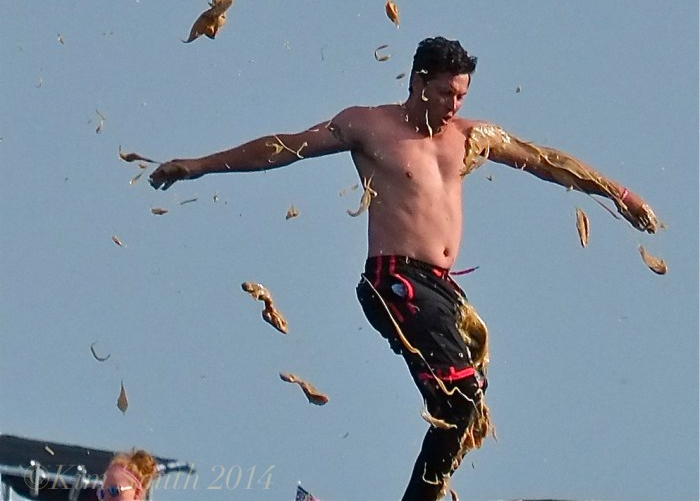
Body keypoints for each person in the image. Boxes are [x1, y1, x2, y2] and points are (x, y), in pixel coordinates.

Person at [149, 36, 661, 501]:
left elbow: (545, 160)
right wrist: (198, 165)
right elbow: (283, 148)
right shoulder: (369, 125)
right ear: (418, 82)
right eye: (445, 94)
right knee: (459, 394)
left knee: (467, 408)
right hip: (395, 280)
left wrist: (619, 194)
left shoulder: (470, 136)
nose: (453, 106)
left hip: (443, 292)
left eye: (460, 96)